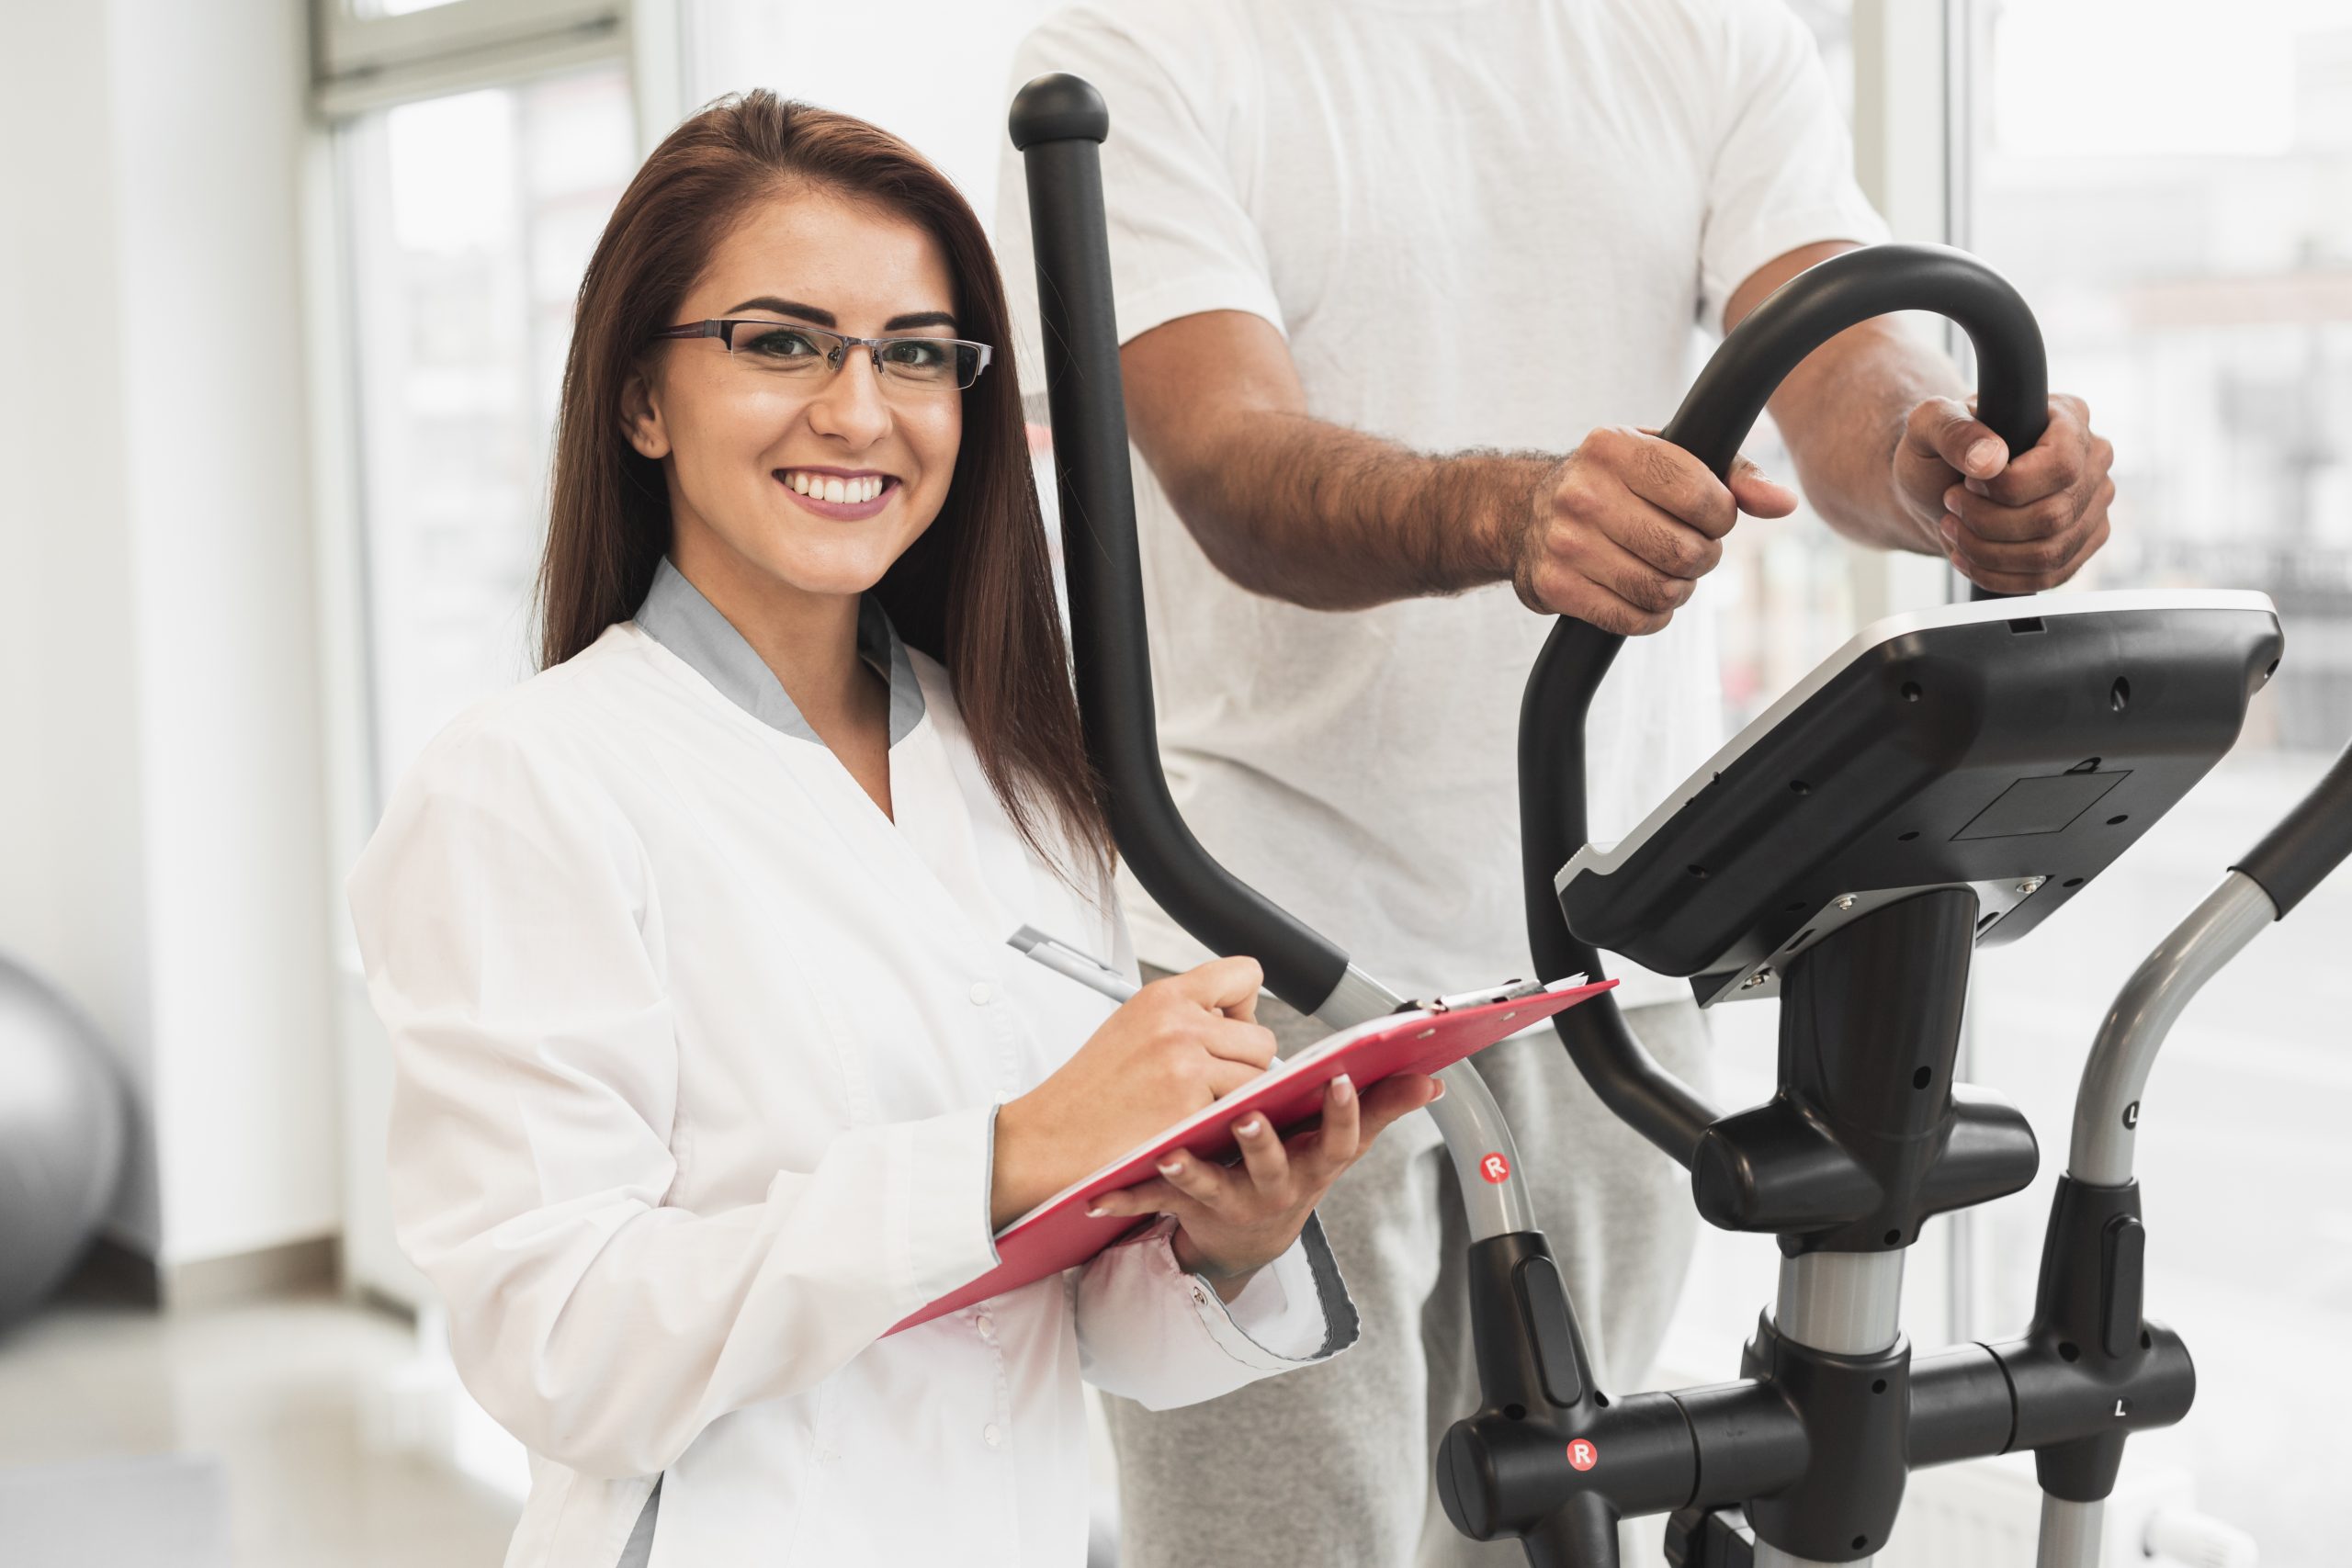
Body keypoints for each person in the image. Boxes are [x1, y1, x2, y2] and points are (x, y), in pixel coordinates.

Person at [993, 3, 2117, 1565]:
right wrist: (1510, 515)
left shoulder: (1708, 34)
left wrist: (1940, 460)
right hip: (1260, 951)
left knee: (1562, 1533)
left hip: (1596, 948)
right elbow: (1230, 466)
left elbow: (1840, 356)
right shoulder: (1144, 44)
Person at [345, 92, 1441, 1568]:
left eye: (916, 353)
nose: (860, 410)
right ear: (642, 399)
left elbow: (1061, 1330)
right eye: (781, 342)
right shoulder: (523, 785)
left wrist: (1218, 1241)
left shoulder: (1020, 765)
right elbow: (564, 1348)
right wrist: (1006, 1153)